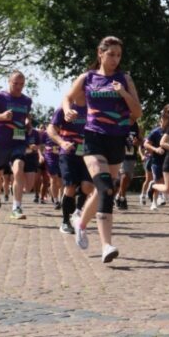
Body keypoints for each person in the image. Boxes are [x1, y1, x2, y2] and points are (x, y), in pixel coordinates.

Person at [63, 36, 143, 263]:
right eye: (111, 55)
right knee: (106, 187)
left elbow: (137, 113)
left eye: (118, 56)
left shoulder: (125, 79)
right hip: (93, 137)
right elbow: (68, 98)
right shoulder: (87, 77)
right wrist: (68, 110)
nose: (115, 60)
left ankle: (80, 222)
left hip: (116, 139)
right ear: (100, 53)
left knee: (102, 189)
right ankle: (107, 244)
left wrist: (124, 93)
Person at [0, 70, 33, 221]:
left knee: (19, 169)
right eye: (15, 83)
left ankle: (17, 207)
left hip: (19, 141)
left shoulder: (27, 100)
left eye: (21, 84)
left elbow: (26, 117)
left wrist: (28, 123)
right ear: (9, 82)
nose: (18, 87)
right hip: (1, 141)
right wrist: (0, 116)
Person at [47, 100, 91, 235]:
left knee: (87, 186)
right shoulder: (64, 108)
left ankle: (77, 213)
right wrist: (61, 142)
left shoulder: (93, 107)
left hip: (88, 152)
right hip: (68, 153)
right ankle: (65, 222)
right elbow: (51, 128)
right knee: (70, 186)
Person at [116, 123, 141, 210]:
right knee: (124, 176)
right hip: (121, 155)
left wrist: (137, 142)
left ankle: (118, 196)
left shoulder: (135, 125)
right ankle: (123, 198)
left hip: (132, 156)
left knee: (128, 180)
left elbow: (140, 141)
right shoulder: (120, 122)